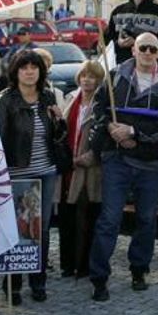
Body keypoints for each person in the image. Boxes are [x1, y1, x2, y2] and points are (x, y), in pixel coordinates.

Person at [88, 33, 158, 301]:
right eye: (143, 48)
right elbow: (99, 107)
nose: (147, 53)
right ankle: (99, 277)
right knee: (110, 218)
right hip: (116, 159)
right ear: (134, 50)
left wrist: (133, 131)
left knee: (146, 220)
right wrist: (111, 128)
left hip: (149, 163)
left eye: (152, 48)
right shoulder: (115, 75)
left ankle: (139, 269)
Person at [0, 51, 67, 303]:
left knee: (41, 230)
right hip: (17, 173)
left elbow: (56, 136)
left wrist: (59, 120)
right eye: (23, 67)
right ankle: (12, 283)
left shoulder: (47, 96)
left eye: (34, 67)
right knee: (15, 230)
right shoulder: (6, 100)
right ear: (15, 72)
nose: (29, 71)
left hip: (45, 171)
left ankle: (38, 281)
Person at [59, 61, 105, 279]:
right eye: (84, 75)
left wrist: (86, 159)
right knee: (68, 219)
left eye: (92, 76)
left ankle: (85, 264)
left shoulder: (102, 105)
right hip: (69, 169)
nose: (87, 80)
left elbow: (103, 138)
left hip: (89, 171)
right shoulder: (70, 100)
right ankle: (67, 264)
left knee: (87, 219)